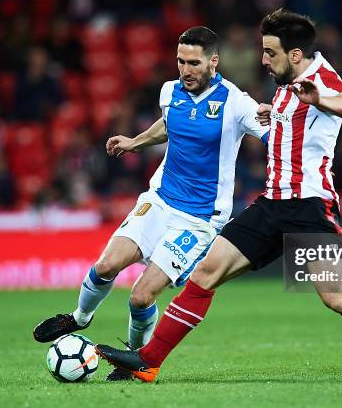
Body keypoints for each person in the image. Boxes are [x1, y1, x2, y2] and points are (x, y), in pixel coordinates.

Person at [95, 9, 342, 382]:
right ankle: (148, 361)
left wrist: (322, 100)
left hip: (311, 207)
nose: (263, 60)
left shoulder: (321, 78)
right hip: (271, 203)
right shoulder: (286, 82)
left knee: (339, 299)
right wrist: (272, 116)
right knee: (205, 272)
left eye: (270, 53)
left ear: (295, 54)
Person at [32, 26, 269, 380]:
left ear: (213, 62)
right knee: (107, 265)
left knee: (141, 297)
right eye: (180, 61)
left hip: (199, 218)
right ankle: (79, 318)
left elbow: (269, 132)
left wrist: (275, 117)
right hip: (158, 200)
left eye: (193, 62)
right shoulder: (169, 91)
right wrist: (135, 142)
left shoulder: (236, 103)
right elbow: (169, 124)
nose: (185, 70)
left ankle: (132, 359)